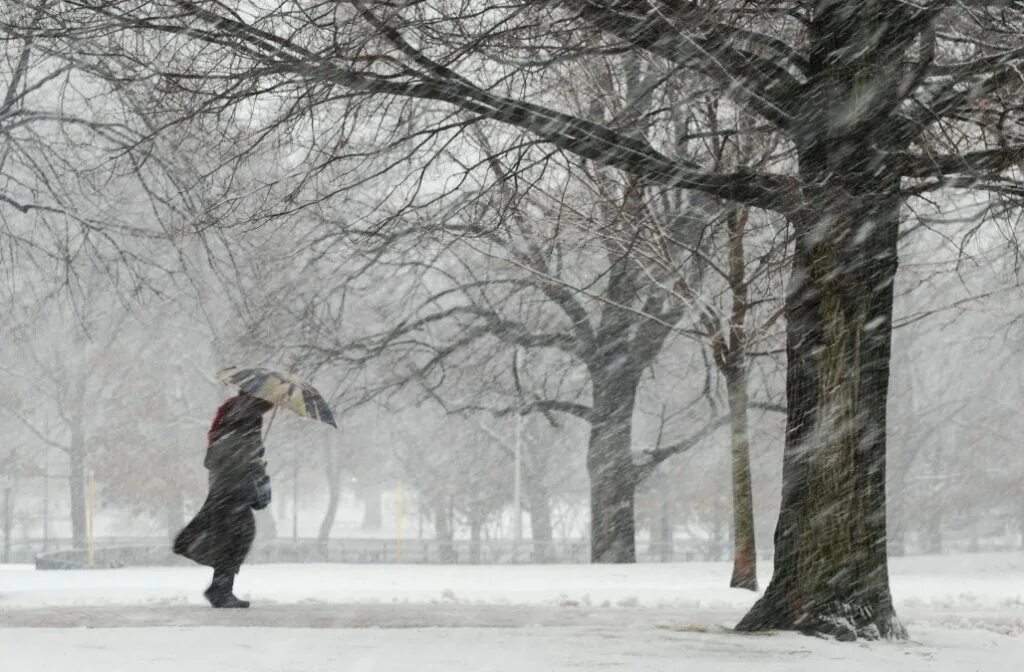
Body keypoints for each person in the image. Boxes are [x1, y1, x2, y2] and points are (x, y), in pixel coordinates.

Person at [173, 391, 274, 608]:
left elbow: (218, 454)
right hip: (233, 488)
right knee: (236, 538)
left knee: (232, 538)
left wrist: (254, 456)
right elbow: (236, 452)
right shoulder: (249, 414)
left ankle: (220, 589)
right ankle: (220, 590)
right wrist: (253, 457)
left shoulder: (235, 412)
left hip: (225, 487)